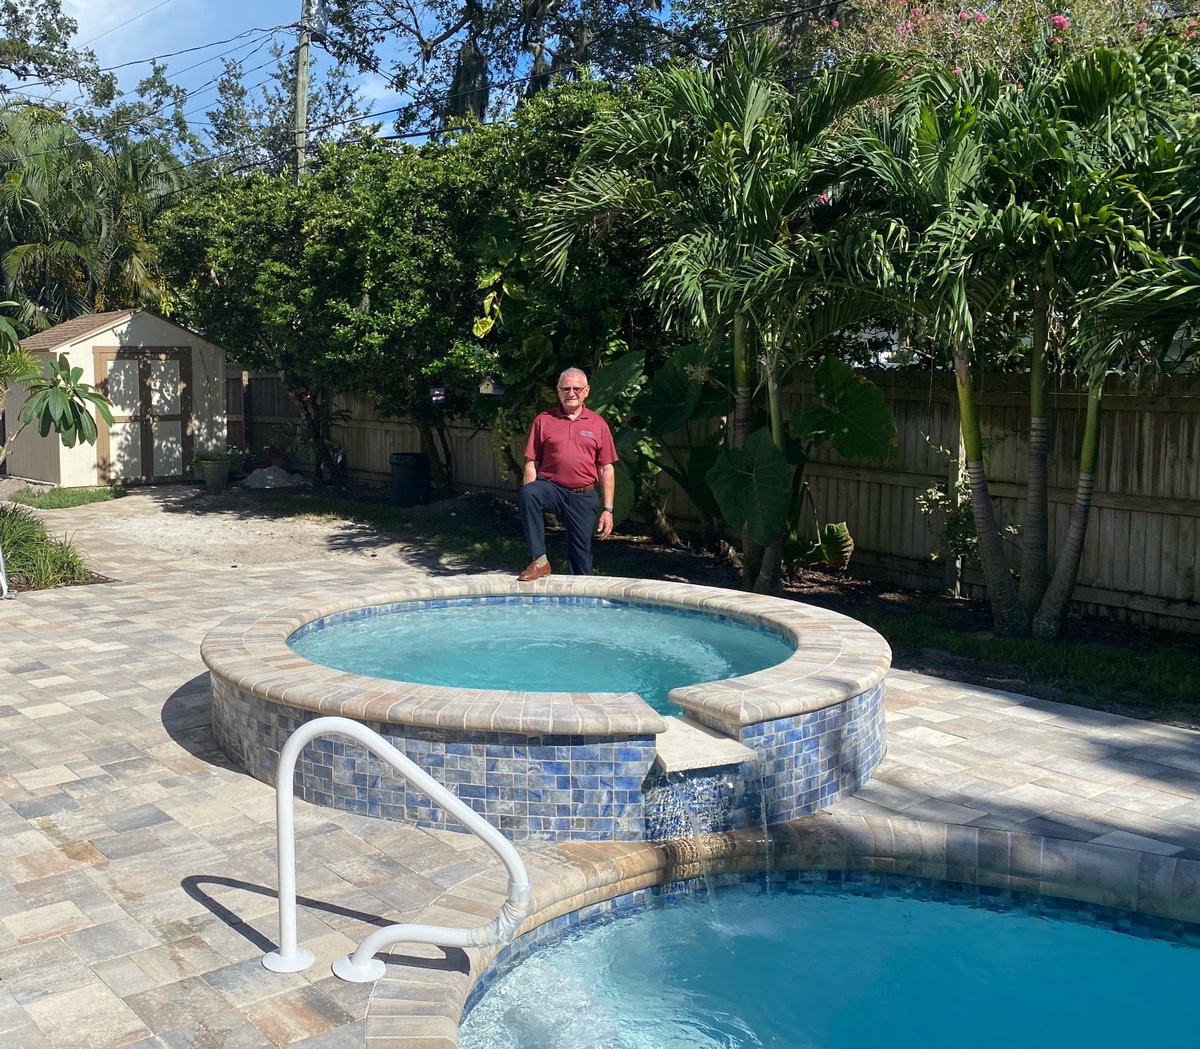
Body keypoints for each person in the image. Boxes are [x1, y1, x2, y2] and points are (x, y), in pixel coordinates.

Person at [516, 368, 617, 581]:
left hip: (583, 495)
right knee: (529, 493)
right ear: (558, 391)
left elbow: (606, 468)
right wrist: (531, 494)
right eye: (566, 388)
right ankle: (539, 562)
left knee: (581, 557)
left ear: (586, 391)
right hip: (551, 487)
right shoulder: (544, 420)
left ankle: (579, 606)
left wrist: (608, 509)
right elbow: (531, 462)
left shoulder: (598, 424)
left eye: (577, 389)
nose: (571, 393)